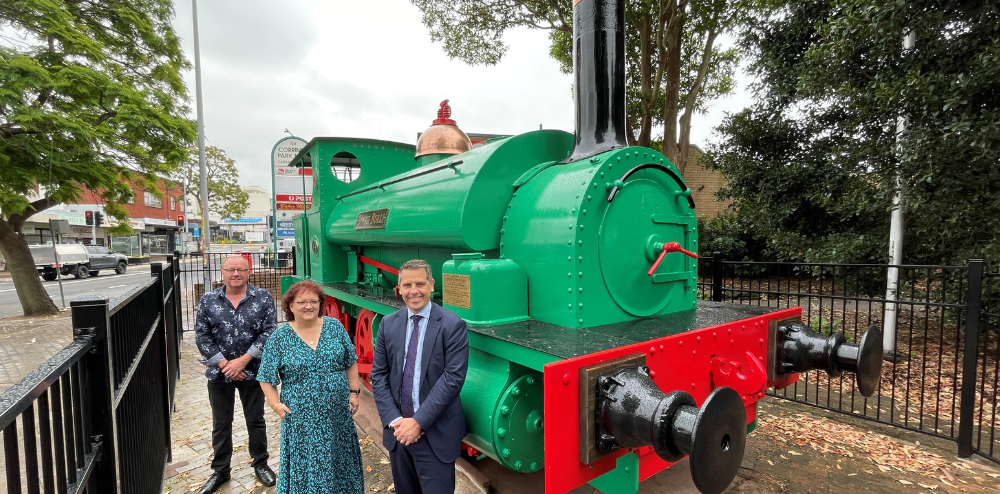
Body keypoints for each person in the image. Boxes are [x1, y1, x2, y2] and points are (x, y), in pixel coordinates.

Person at [371, 259, 470, 494]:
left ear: (432, 285)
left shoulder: (452, 325)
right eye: (407, 285)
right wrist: (395, 421)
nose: (413, 291)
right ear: (399, 288)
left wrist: (418, 422)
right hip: (398, 434)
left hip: (434, 434)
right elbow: (379, 375)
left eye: (420, 284)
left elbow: (453, 378)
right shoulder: (388, 324)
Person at [257, 281, 365, 493]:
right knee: (307, 463)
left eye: (313, 301)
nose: (308, 306)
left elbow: (350, 361)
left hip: (337, 413)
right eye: (302, 302)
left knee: (339, 458)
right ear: (290, 305)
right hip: (301, 417)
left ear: (320, 304)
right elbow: (265, 377)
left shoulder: (335, 327)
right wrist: (275, 404)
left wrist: (354, 393)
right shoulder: (280, 337)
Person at [194, 255, 278, 494]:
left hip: (252, 372)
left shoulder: (263, 298)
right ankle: (220, 470)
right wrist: (225, 365)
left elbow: (269, 331)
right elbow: (202, 335)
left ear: (248, 272)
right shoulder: (208, 300)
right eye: (231, 270)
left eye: (241, 270)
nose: (236, 274)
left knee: (256, 420)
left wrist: (242, 362)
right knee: (221, 424)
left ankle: (260, 463)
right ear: (223, 273)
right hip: (219, 374)